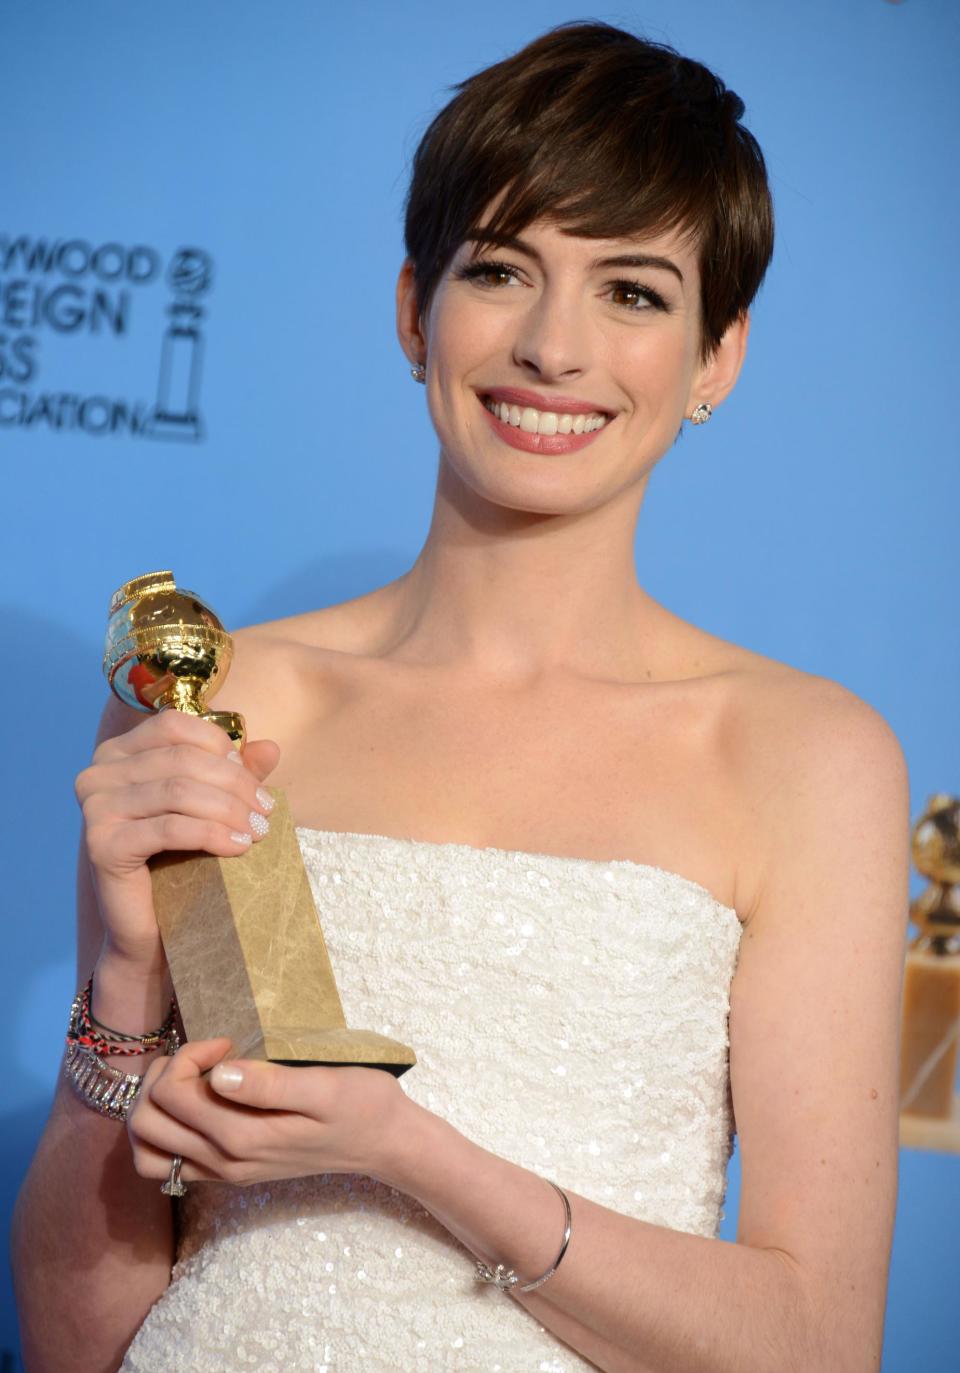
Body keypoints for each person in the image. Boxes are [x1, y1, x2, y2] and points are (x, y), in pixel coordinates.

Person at [13, 19, 910, 1373]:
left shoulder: (801, 757)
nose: (555, 347)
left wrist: (412, 1152)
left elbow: (817, 1341)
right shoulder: (216, 701)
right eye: (501, 270)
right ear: (411, 310)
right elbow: (76, 1341)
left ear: (718, 356)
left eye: (633, 292)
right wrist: (127, 977)